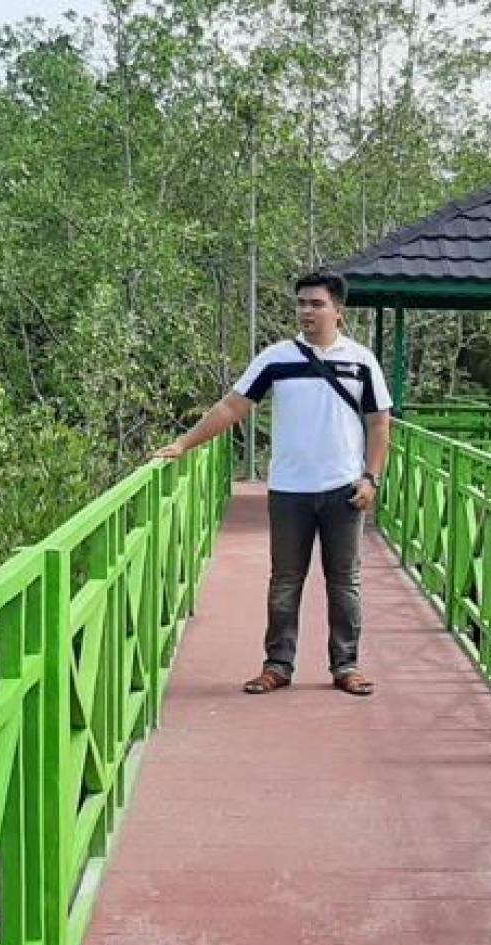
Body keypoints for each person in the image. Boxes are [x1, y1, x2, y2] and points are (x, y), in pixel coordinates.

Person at [153, 270, 393, 696]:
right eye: (301, 303)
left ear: (338, 311)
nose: (306, 311)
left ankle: (346, 665)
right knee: (285, 579)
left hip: (343, 489)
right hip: (289, 490)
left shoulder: (361, 360)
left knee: (344, 581)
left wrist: (372, 478)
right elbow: (232, 407)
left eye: (316, 304)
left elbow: (379, 424)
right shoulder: (276, 358)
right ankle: (277, 665)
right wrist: (184, 444)